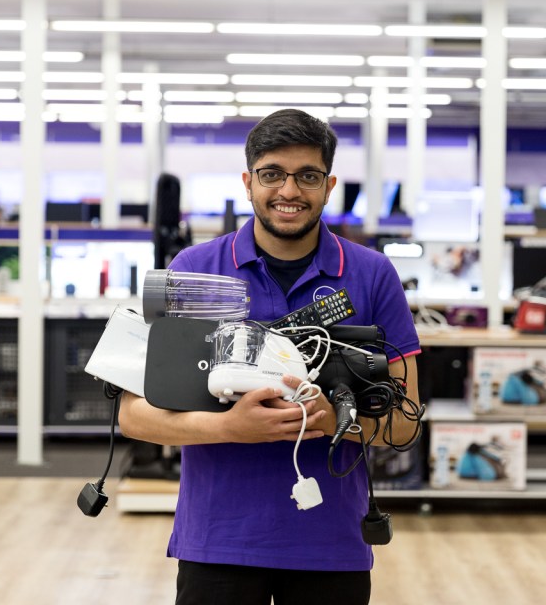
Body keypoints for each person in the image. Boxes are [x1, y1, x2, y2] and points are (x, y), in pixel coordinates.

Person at [119, 109, 421, 605]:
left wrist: (334, 422)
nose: (289, 190)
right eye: (272, 174)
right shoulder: (194, 270)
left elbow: (405, 424)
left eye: (308, 176)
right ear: (248, 181)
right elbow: (132, 415)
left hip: (331, 546)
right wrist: (228, 428)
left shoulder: (372, 274)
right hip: (219, 543)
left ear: (329, 186)